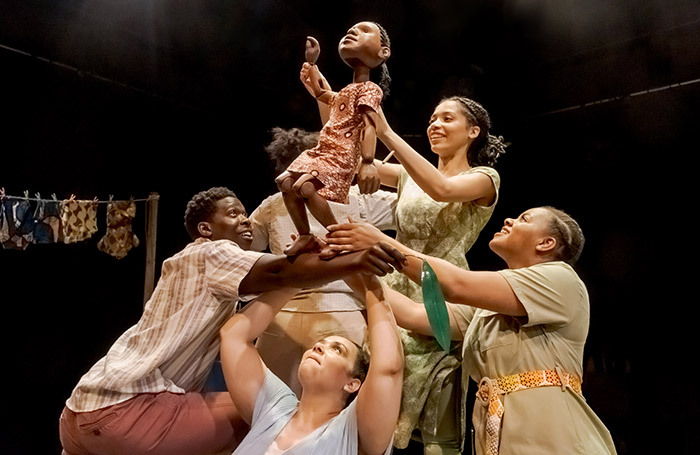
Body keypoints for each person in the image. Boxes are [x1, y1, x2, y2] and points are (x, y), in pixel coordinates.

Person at [58, 186, 405, 455]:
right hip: (128, 409)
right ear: (206, 228)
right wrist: (358, 262)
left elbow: (277, 283)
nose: (246, 221)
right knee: (255, 415)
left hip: (79, 413)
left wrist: (322, 270)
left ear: (353, 384)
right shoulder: (213, 253)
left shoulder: (196, 268)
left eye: (245, 214)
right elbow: (279, 276)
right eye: (234, 214)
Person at [325, 207, 618, 455]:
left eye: (524, 219)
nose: (509, 221)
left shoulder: (561, 279)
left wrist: (381, 241)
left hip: (554, 436)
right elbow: (412, 314)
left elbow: (455, 284)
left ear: (546, 243)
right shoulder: (486, 308)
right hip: (499, 435)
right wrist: (347, 264)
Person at [364, 96, 506, 454]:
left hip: (440, 287)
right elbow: (352, 160)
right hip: (392, 278)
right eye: (431, 118)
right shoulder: (409, 177)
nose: (434, 124)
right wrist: (344, 100)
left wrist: (388, 133)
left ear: (473, 131)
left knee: (434, 412)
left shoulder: (484, 178)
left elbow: (441, 190)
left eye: (447, 118)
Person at [252, 127, 397, 396]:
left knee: (268, 409)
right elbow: (411, 206)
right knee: (336, 409)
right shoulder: (356, 198)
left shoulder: (271, 204)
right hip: (341, 314)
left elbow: (248, 252)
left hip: (280, 315)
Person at [219, 269, 404, 455]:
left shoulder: (352, 432)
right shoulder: (275, 407)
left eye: (337, 349)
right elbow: (234, 336)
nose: (318, 348)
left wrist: (371, 286)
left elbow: (388, 368)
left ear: (352, 384)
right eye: (319, 344)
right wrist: (301, 275)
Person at [275, 21, 392, 256]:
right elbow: (321, 93)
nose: (352, 31)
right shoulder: (346, 91)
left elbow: (371, 125)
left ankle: (336, 238)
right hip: (323, 149)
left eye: (365, 31)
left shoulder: (370, 89)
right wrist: (312, 64)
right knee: (285, 183)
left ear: (383, 52)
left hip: (342, 154)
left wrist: (368, 162)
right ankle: (306, 236)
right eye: (351, 29)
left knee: (305, 187)